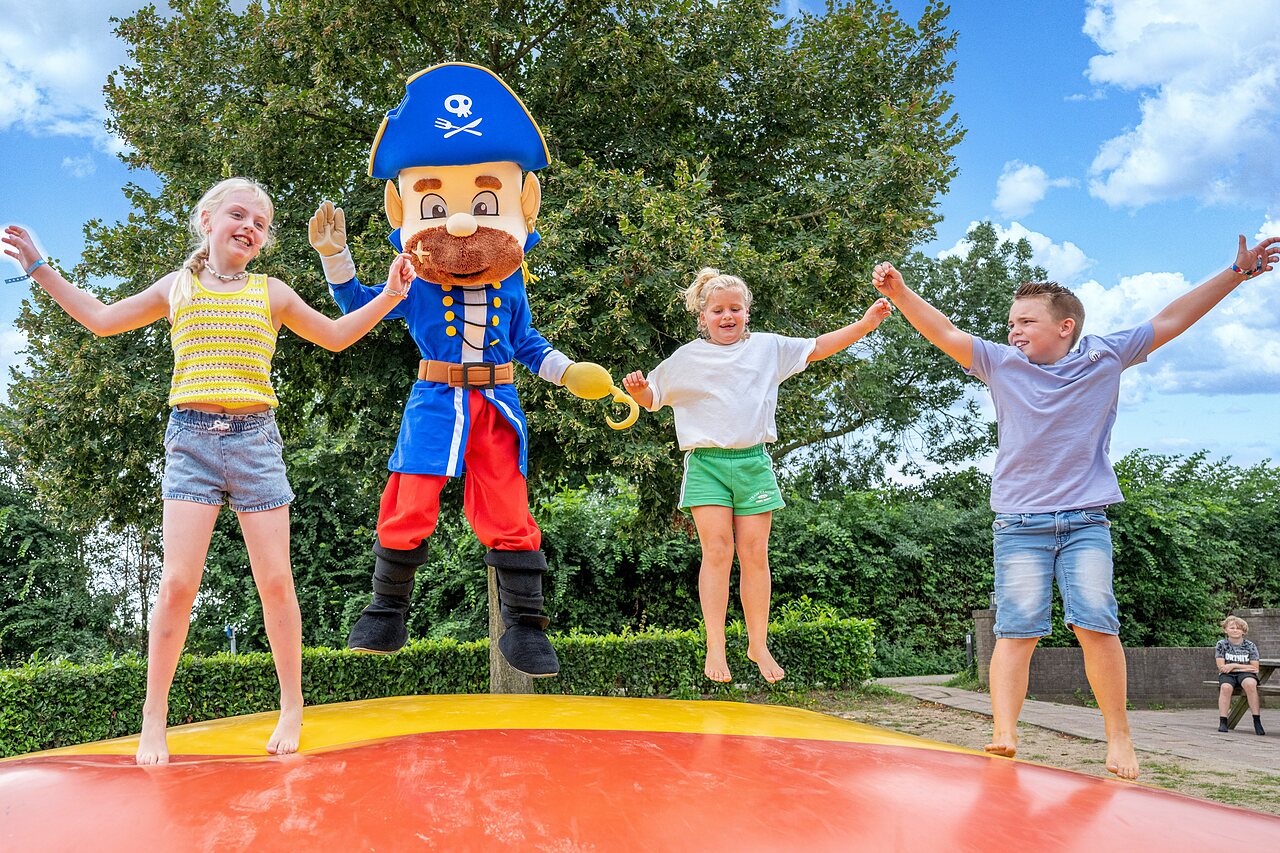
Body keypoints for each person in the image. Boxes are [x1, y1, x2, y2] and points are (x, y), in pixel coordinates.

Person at [3, 177, 413, 765]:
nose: (249, 226)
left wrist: (393, 295)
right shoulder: (177, 287)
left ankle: (292, 704)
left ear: (264, 240)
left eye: (261, 223)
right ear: (206, 220)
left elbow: (336, 336)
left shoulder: (273, 293)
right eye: (239, 214)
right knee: (176, 585)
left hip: (256, 444)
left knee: (276, 582)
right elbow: (98, 318)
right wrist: (40, 267)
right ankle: (153, 716)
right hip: (191, 443)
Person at [871, 234, 1280, 780]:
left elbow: (1172, 319)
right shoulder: (999, 364)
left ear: (1065, 326)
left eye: (1026, 322)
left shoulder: (1105, 355)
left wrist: (1235, 273)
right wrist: (900, 292)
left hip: (1086, 521)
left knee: (1096, 627)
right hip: (1019, 524)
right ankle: (1005, 730)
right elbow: (943, 331)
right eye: (1011, 322)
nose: (1013, 330)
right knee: (1017, 631)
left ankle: (1119, 737)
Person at [623, 268, 893, 684]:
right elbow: (652, 399)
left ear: (747, 312)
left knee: (754, 556)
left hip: (754, 463)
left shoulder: (769, 348)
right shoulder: (687, 358)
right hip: (707, 464)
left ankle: (757, 643)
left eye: (735, 308)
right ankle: (715, 642)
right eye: (717, 311)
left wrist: (866, 323)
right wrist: (639, 389)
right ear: (703, 317)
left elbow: (819, 347)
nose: (727, 316)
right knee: (717, 551)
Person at [1215, 615, 1265, 735]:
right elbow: (1221, 666)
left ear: (1244, 631)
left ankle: (1257, 720)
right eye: (1232, 628)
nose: (1235, 630)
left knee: (1250, 684)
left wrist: (1233, 665)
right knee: (1226, 687)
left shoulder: (1250, 646)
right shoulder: (1221, 644)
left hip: (1246, 673)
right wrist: (1231, 667)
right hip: (1228, 674)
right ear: (1226, 630)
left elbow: (1254, 668)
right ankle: (1223, 721)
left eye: (1238, 628)